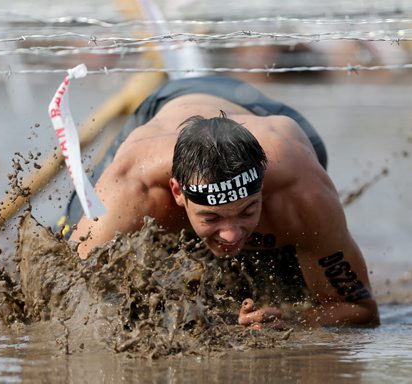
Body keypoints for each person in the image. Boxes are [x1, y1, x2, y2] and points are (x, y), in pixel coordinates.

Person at [64, 75, 379, 328]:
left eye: (247, 211)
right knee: (76, 225)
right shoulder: (134, 189)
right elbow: (66, 290)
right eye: (211, 217)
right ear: (176, 192)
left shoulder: (300, 193)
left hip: (260, 113)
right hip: (169, 104)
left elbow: (359, 309)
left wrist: (290, 321)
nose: (231, 234)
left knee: (292, 280)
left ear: (263, 188)